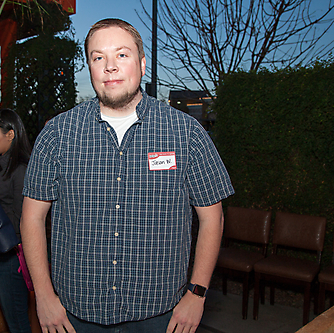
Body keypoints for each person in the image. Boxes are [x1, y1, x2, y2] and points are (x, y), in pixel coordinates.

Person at [21, 18, 234, 333]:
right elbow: (31, 219)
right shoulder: (57, 134)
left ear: (142, 64)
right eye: (98, 57)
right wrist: (43, 295)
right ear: (90, 68)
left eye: (122, 55)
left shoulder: (186, 133)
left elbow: (212, 217)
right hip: (74, 314)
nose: (110, 66)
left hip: (161, 314)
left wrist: (197, 293)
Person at [0, 108, 32, 332]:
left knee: (17, 320)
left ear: (10, 134)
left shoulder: (20, 170)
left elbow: (24, 220)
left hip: (13, 255)